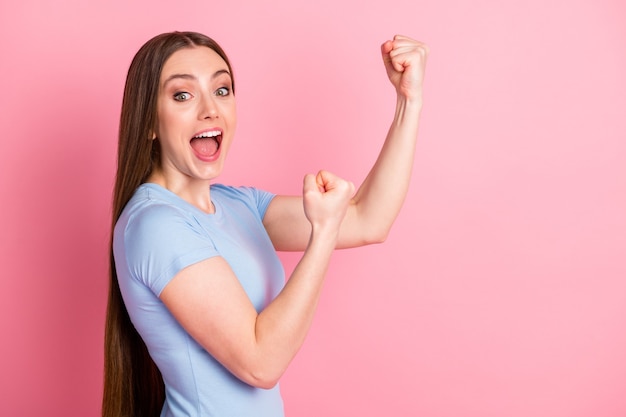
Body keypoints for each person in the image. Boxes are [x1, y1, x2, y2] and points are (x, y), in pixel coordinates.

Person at [102, 31, 428, 417]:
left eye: (222, 90)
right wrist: (322, 234)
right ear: (149, 124)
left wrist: (409, 101)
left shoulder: (239, 205)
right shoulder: (154, 224)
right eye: (183, 95)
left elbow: (367, 220)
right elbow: (260, 363)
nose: (210, 110)